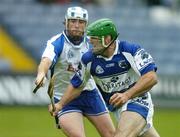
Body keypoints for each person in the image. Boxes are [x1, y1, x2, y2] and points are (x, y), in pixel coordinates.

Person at [51, 18, 160, 137]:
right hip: (118, 108)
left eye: (94, 39)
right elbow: (77, 84)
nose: (90, 41)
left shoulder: (131, 50)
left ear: (107, 39)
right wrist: (60, 104)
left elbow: (151, 77)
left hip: (138, 100)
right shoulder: (88, 59)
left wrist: (127, 95)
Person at [35, 8, 115, 137]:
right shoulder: (56, 43)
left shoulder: (92, 42)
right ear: (65, 22)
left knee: (111, 135)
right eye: (73, 21)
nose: (77, 25)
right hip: (64, 98)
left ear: (86, 25)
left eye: (81, 22)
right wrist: (41, 74)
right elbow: (46, 61)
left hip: (90, 94)